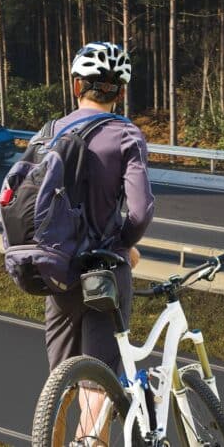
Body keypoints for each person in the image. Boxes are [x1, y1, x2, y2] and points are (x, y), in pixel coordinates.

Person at [45, 42, 154, 379]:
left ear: (76, 85)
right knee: (100, 383)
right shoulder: (126, 135)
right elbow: (141, 210)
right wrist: (125, 245)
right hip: (104, 270)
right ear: (119, 94)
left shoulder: (49, 133)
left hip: (57, 269)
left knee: (60, 380)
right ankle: (92, 435)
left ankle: (50, 433)